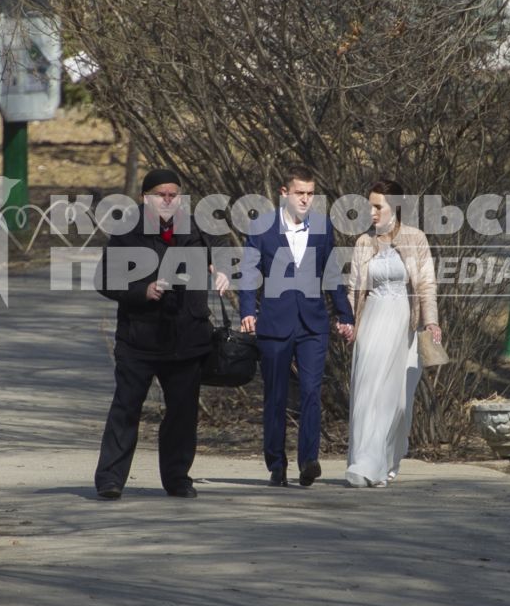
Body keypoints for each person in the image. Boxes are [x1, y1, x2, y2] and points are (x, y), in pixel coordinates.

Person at [94, 167, 229, 499]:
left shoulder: (196, 226)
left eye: (174, 195)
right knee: (126, 408)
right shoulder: (128, 232)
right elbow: (105, 280)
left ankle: (177, 477)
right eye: (160, 195)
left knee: (183, 413)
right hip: (139, 337)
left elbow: (223, 248)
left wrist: (222, 267)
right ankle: (110, 478)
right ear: (145, 198)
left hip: (187, 337)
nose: (168, 201)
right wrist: (144, 289)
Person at [238, 164, 355, 487]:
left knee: (311, 392)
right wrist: (248, 309)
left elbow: (331, 274)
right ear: (284, 193)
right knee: (275, 395)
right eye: (300, 193)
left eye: (310, 194)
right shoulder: (262, 228)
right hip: (274, 323)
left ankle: (308, 461)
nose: (306, 199)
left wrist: (344, 314)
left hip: (312, 323)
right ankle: (276, 463)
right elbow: (249, 272)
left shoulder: (322, 227)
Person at [345, 179, 440, 488]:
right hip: (372, 321)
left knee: (397, 400)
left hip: (404, 323)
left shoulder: (415, 239)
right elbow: (354, 289)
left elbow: (426, 283)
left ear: (395, 207)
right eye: (369, 205)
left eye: (378, 206)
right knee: (368, 393)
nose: (371, 212)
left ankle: (386, 460)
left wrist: (431, 321)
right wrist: (349, 323)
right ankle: (364, 463)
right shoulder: (363, 243)